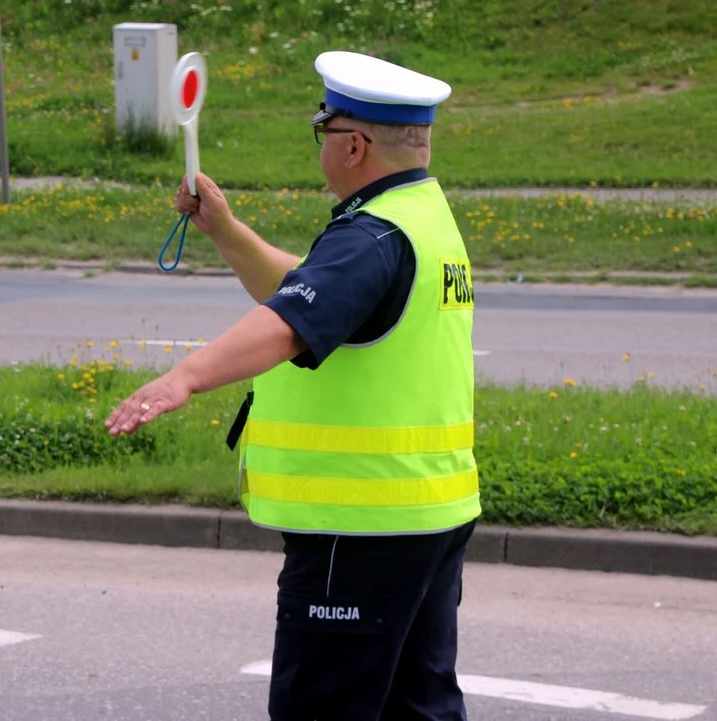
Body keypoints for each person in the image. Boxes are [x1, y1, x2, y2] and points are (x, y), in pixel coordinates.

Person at [105, 50, 480, 720]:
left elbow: (290, 321)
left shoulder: (372, 236)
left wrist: (184, 377)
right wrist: (225, 231)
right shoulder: (422, 216)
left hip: (358, 526)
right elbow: (311, 291)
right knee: (418, 707)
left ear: (354, 146)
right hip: (424, 515)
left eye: (322, 129)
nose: (321, 143)